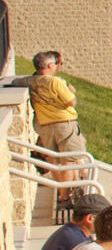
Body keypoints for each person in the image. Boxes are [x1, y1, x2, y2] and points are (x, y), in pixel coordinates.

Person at [11, 50, 86, 207]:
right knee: (68, 162)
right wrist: (69, 90)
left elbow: (15, 83)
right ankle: (65, 198)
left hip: (44, 126)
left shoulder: (30, 81)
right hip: (63, 125)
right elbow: (71, 102)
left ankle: (63, 194)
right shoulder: (55, 82)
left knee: (55, 162)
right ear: (50, 65)